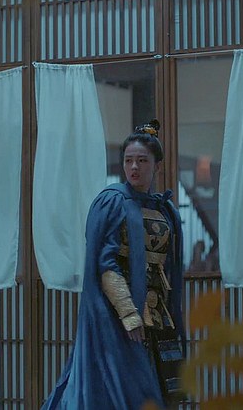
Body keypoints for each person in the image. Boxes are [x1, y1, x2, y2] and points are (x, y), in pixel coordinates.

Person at [41, 120, 186, 409]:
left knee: (160, 385)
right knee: (124, 388)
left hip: (157, 313)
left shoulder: (163, 208)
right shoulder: (113, 201)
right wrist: (129, 314)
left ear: (156, 166)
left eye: (142, 161)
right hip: (119, 315)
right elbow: (105, 264)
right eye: (129, 160)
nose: (134, 167)